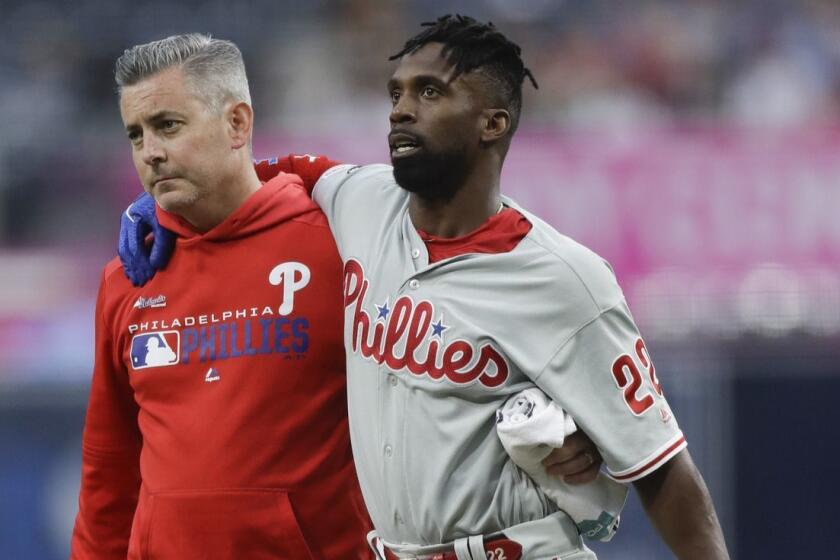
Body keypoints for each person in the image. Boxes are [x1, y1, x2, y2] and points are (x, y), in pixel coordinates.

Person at [119, 16, 730, 559]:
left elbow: (662, 468)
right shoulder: (359, 198)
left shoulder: (563, 279)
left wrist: (591, 440)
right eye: (396, 92)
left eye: (429, 92)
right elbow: (281, 171)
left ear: (492, 122)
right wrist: (170, 206)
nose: (400, 109)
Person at [70, 34, 375, 559]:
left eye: (168, 125)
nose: (151, 152)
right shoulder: (128, 277)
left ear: (237, 123)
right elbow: (109, 463)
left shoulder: (340, 245)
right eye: (136, 135)